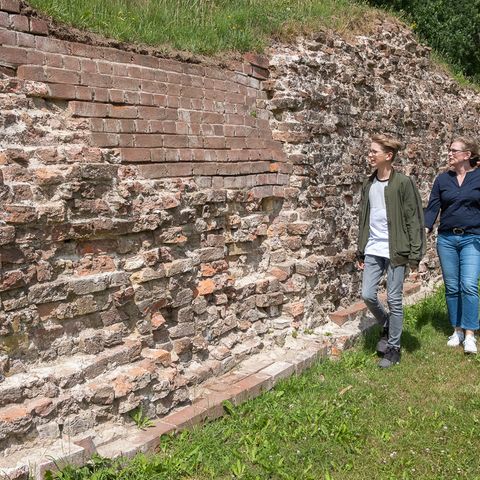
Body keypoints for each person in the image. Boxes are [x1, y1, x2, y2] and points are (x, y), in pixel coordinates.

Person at [357, 134, 426, 368]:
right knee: (367, 294)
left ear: (388, 156)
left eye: (374, 151)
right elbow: (364, 219)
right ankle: (386, 324)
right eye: (370, 151)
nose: (370, 155)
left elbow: (414, 219)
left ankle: (393, 348)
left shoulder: (403, 183)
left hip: (397, 249)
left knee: (395, 298)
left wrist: (416, 254)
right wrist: (360, 249)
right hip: (373, 248)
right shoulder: (368, 183)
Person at [424, 136, 480, 354]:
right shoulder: (442, 180)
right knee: (453, 287)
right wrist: (424, 230)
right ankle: (457, 330)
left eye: (454, 151)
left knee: (468, 284)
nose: (449, 153)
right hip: (447, 239)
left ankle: (470, 335)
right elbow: (432, 209)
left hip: (472, 238)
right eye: (449, 150)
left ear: (467, 155)